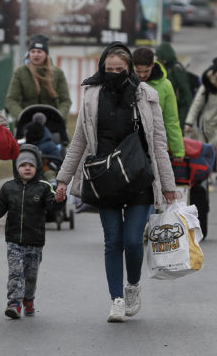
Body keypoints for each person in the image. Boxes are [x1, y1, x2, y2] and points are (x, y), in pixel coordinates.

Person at [54, 42, 177, 323]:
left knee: (133, 240)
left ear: (130, 70)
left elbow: (158, 144)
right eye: (108, 69)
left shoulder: (147, 95)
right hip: (104, 178)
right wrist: (62, 180)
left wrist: (168, 185)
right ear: (101, 67)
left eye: (119, 70)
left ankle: (132, 286)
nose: (113, 74)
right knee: (113, 241)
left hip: (139, 178)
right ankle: (116, 300)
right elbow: (79, 142)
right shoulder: (91, 95)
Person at [0, 144, 60, 319]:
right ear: (17, 167)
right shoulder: (8, 188)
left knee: (30, 276)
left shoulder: (44, 187)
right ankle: (14, 304)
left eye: (31, 165)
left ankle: (29, 299)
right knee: (16, 273)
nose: (27, 168)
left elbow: (53, 207)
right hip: (14, 241)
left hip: (35, 241)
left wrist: (59, 198)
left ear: (37, 167)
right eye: (23, 165)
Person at [184, 57, 217, 185]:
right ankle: (207, 173)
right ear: (214, 73)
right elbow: (196, 105)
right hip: (208, 121)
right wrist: (189, 122)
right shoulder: (206, 87)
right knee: (208, 148)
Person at [133, 47, 185, 160]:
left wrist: (178, 150)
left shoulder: (166, 86)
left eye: (146, 71)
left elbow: (171, 120)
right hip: (130, 146)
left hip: (156, 146)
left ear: (152, 65)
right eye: (138, 71)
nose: (142, 75)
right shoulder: (126, 83)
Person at [4, 34, 72, 121]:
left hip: (52, 121)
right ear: (29, 54)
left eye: (39, 51)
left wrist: (59, 116)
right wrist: (21, 116)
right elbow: (11, 100)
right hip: (26, 121)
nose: (36, 55)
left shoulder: (58, 73)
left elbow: (65, 100)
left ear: (46, 54)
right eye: (33, 51)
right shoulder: (20, 72)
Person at [155, 42, 194, 126]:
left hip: (180, 108)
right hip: (169, 107)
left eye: (159, 58)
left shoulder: (176, 69)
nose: (158, 60)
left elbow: (186, 90)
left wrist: (190, 114)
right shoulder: (165, 68)